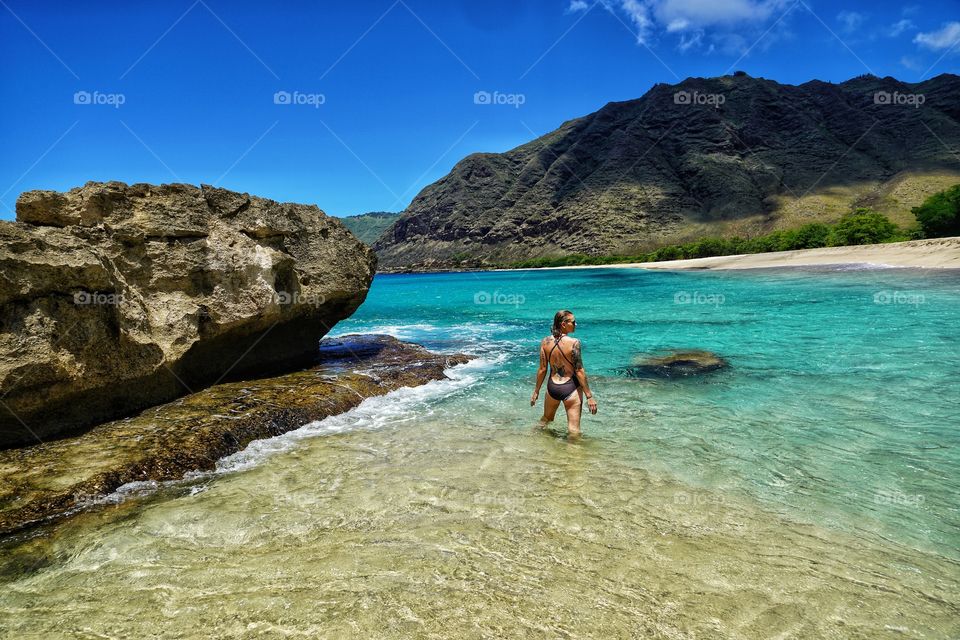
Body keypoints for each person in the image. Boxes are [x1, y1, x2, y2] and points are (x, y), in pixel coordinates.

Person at [531, 309, 597, 438]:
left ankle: (532, 438)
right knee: (573, 430)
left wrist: (536, 391)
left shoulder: (545, 342)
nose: (575, 324)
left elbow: (542, 369)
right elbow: (579, 370)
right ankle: (572, 457)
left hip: (552, 387)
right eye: (573, 322)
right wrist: (589, 396)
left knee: (546, 419)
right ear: (563, 324)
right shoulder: (574, 343)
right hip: (570, 387)